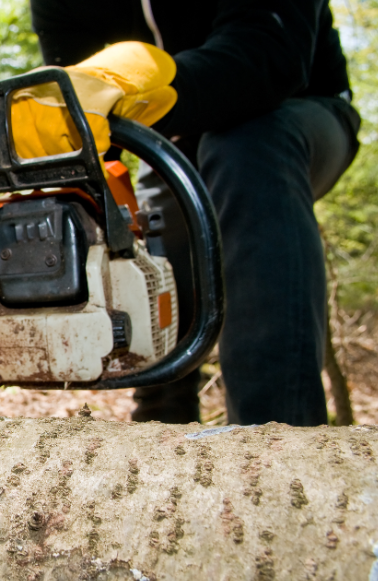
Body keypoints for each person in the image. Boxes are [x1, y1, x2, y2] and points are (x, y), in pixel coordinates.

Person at [21, 0, 361, 426]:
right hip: (175, 140)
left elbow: (269, 52)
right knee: (153, 218)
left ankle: (277, 430)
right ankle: (162, 420)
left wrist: (145, 85)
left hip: (296, 110)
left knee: (245, 150)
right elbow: (82, 107)